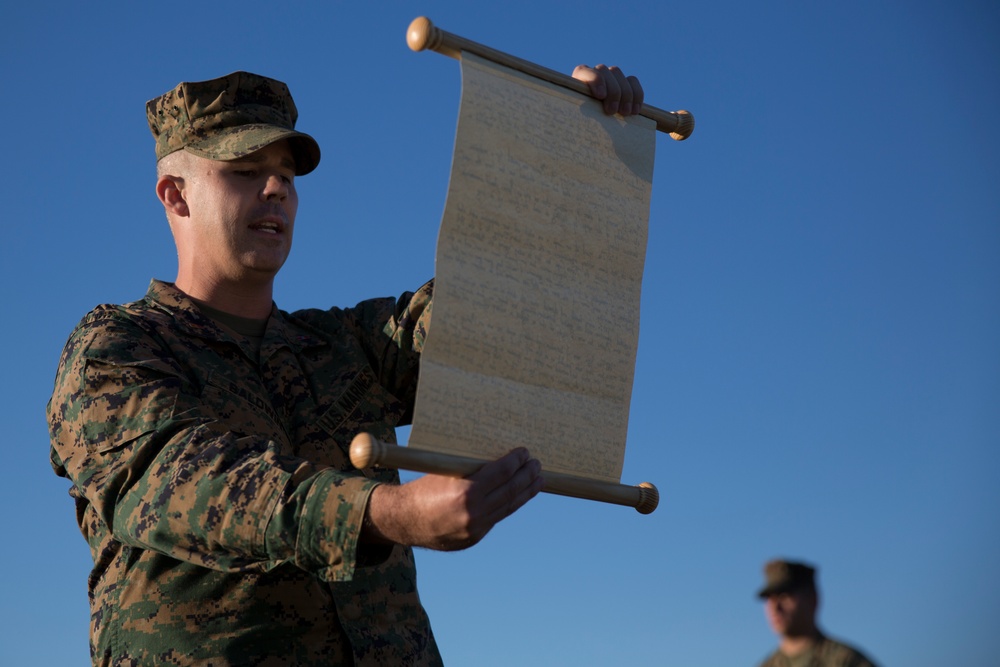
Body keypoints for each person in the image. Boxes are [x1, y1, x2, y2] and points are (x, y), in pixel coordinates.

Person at [47, 64, 645, 667]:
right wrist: (389, 514)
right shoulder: (115, 347)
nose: (276, 189)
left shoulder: (343, 345)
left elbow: (492, 311)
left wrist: (575, 152)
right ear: (175, 194)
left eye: (285, 175)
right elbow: (185, 482)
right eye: (245, 172)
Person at [756, 559, 879, 667]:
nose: (775, 607)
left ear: (812, 600)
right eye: (770, 599)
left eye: (785, 596)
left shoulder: (846, 662)